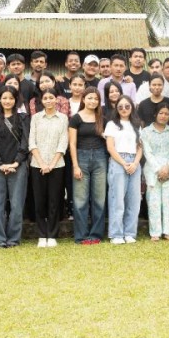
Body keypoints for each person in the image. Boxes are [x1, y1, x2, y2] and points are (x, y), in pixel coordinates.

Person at [0, 86, 30, 248]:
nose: (7, 101)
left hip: (17, 167)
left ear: (16, 100)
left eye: (11, 98)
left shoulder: (22, 118)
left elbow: (25, 142)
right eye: (4, 98)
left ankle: (13, 238)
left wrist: (16, 162)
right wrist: (0, 164)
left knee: (16, 204)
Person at [29, 90, 69, 248]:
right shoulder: (36, 118)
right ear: (42, 100)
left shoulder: (63, 118)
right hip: (37, 165)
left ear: (56, 100)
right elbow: (32, 141)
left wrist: (51, 164)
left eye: (51, 97)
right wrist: (42, 163)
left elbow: (63, 142)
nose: (48, 100)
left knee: (54, 201)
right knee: (39, 201)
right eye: (45, 98)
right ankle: (41, 234)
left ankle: (52, 235)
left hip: (57, 165)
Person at [69, 87, 107, 244]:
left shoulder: (102, 117)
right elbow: (72, 143)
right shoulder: (76, 118)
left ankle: (96, 235)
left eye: (96, 99)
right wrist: (75, 166)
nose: (93, 101)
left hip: (100, 157)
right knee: (80, 200)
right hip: (81, 157)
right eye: (90, 98)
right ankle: (81, 235)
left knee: (99, 199)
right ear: (84, 99)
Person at [105, 96, 143, 244]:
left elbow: (140, 146)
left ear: (132, 107)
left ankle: (129, 232)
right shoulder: (112, 125)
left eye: (127, 106)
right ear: (116, 109)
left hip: (135, 161)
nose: (124, 109)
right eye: (120, 107)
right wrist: (123, 163)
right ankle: (116, 234)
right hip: (117, 160)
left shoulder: (137, 124)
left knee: (134, 200)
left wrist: (135, 163)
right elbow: (110, 147)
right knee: (117, 199)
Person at [141, 105, 169, 241]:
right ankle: (155, 233)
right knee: (154, 202)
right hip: (153, 170)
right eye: (161, 113)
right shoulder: (146, 132)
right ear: (155, 114)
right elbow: (147, 152)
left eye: (167, 114)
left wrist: (167, 167)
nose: (163, 116)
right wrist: (159, 169)